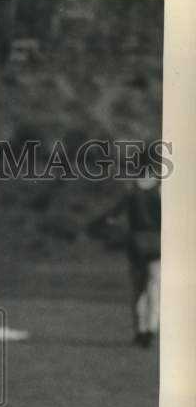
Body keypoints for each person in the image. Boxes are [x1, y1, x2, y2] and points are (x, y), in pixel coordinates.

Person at [88, 147, 161, 348]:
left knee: (138, 290)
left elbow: (112, 215)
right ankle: (151, 330)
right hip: (157, 243)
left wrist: (99, 222)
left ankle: (139, 330)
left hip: (136, 242)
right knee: (154, 288)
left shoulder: (131, 189)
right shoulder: (161, 188)